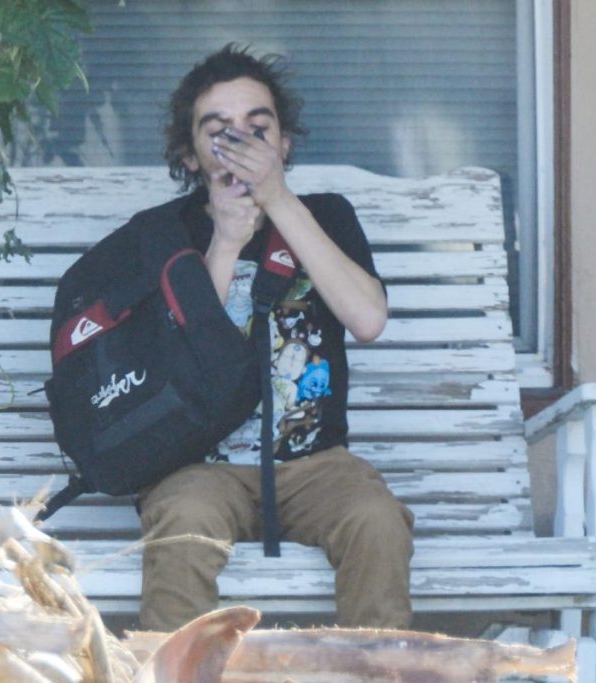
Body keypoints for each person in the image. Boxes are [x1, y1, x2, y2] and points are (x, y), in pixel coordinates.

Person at [137, 44, 414, 632]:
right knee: (182, 526)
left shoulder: (326, 216)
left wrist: (279, 201)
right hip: (199, 466)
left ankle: (378, 671)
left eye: (257, 129)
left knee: (376, 521)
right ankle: (173, 670)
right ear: (190, 155)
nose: (241, 143)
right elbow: (177, 359)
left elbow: (367, 320)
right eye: (219, 132)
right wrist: (225, 242)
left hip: (317, 464)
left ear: (284, 144)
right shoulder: (167, 233)